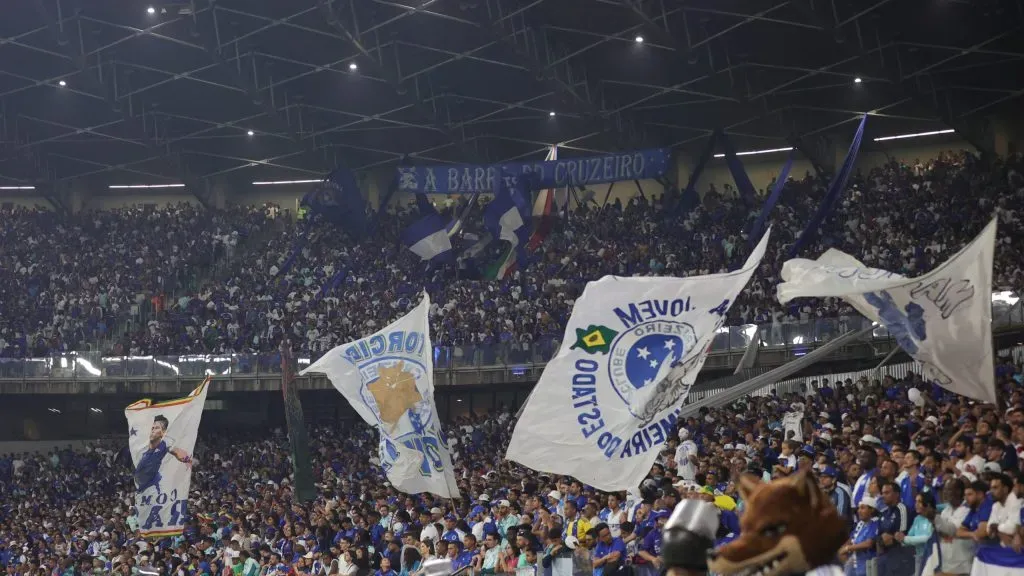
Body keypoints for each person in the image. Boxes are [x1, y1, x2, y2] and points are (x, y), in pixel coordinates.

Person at [134, 414, 192, 494]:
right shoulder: (141, 448)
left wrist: (185, 458)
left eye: (157, 428)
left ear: (163, 432)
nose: (153, 430)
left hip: (153, 485)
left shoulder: (165, 445)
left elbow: (176, 451)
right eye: (152, 428)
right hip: (141, 486)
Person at [839, 497, 879, 576]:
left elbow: (868, 544)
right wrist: (842, 550)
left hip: (868, 565)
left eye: (863, 508)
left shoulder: (876, 522)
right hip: (854, 563)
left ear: (872, 510)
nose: (859, 511)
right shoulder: (860, 523)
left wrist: (847, 548)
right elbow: (851, 540)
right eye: (858, 508)